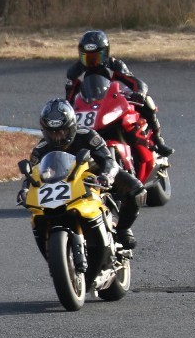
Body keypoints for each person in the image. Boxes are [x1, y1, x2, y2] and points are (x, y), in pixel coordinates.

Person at [25, 98, 144, 249]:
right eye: (52, 133)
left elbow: (108, 160)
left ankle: (123, 229)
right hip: (64, 182)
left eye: (62, 131)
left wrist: (107, 176)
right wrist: (25, 190)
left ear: (72, 126)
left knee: (136, 190)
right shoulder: (41, 149)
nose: (58, 137)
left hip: (95, 174)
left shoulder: (87, 135)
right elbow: (32, 174)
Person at [64, 30, 171, 157]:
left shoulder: (115, 65)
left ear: (106, 53)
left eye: (96, 57)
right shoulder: (74, 72)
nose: (93, 62)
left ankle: (158, 140)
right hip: (88, 107)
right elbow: (69, 98)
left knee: (147, 101)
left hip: (114, 101)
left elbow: (137, 83)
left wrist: (139, 93)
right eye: (88, 58)